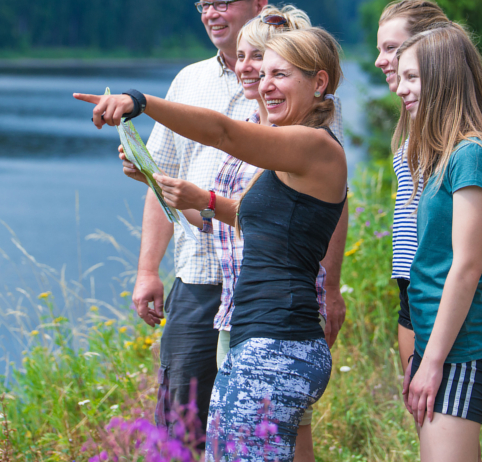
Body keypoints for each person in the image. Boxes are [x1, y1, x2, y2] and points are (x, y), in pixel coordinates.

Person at [75, 27, 347, 461]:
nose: (266, 84)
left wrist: (140, 103)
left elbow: (224, 133)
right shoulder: (292, 157)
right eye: (265, 73)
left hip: (275, 347)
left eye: (282, 74)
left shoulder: (313, 144)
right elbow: (252, 220)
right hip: (260, 340)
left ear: (319, 82)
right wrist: (154, 177)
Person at [373, 0, 482, 382]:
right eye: (380, 50)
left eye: (391, 48)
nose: (381, 60)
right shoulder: (414, 114)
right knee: (425, 408)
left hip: (448, 283)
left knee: (445, 402)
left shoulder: (463, 128)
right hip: (416, 282)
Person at [128, 0, 267, 440]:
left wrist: (330, 289)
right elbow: (161, 182)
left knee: (256, 429)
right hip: (197, 280)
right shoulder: (188, 81)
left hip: (260, 287)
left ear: (258, 6)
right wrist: (149, 270)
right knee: (179, 426)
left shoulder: (282, 79)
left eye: (223, 3)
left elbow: (324, 198)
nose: (212, 14)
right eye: (205, 5)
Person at [394, 23, 482, 461]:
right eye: (400, 78)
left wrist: (432, 363)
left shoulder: (472, 154)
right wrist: (424, 356)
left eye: (413, 78)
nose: (402, 89)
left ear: (444, 79)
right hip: (441, 346)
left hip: (463, 348)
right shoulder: (447, 154)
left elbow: (466, 267)